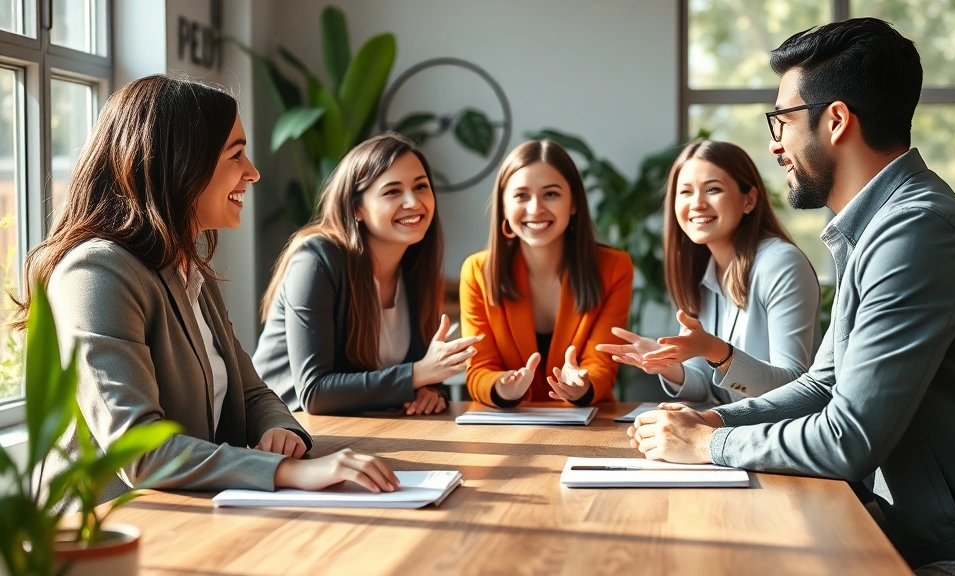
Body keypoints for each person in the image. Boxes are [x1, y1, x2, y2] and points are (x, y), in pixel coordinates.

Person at [626, 18, 955, 573]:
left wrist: (706, 446)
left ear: (836, 120)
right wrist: (714, 423)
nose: (774, 144)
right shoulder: (878, 228)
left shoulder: (918, 232)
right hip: (918, 534)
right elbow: (823, 385)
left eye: (782, 121)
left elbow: (848, 438)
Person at [16, 75, 399, 501]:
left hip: (193, 509)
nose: (252, 172)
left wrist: (279, 429)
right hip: (111, 525)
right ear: (180, 163)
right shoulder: (96, 273)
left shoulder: (187, 268)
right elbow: (139, 450)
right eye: (236, 155)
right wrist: (288, 471)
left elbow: (251, 391)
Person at [254, 133, 478, 416]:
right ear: (356, 208)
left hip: (366, 425)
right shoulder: (316, 260)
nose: (413, 202)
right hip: (282, 429)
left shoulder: (416, 268)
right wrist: (417, 375)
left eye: (421, 187)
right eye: (392, 191)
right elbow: (315, 392)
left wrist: (428, 391)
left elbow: (420, 373)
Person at [597, 140, 820, 404]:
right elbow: (708, 387)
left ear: (748, 200)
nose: (697, 203)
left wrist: (716, 351)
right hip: (729, 425)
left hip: (780, 429)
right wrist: (666, 363)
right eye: (685, 192)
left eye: (713, 189)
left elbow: (794, 387)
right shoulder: (702, 271)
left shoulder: (780, 263)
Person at [460, 140, 633, 407]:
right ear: (504, 206)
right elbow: (479, 369)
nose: (535, 209)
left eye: (551, 194)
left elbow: (601, 364)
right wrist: (502, 386)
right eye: (521, 196)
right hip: (507, 423)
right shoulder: (477, 271)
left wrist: (582, 384)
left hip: (589, 421)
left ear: (574, 203)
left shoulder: (614, 268)